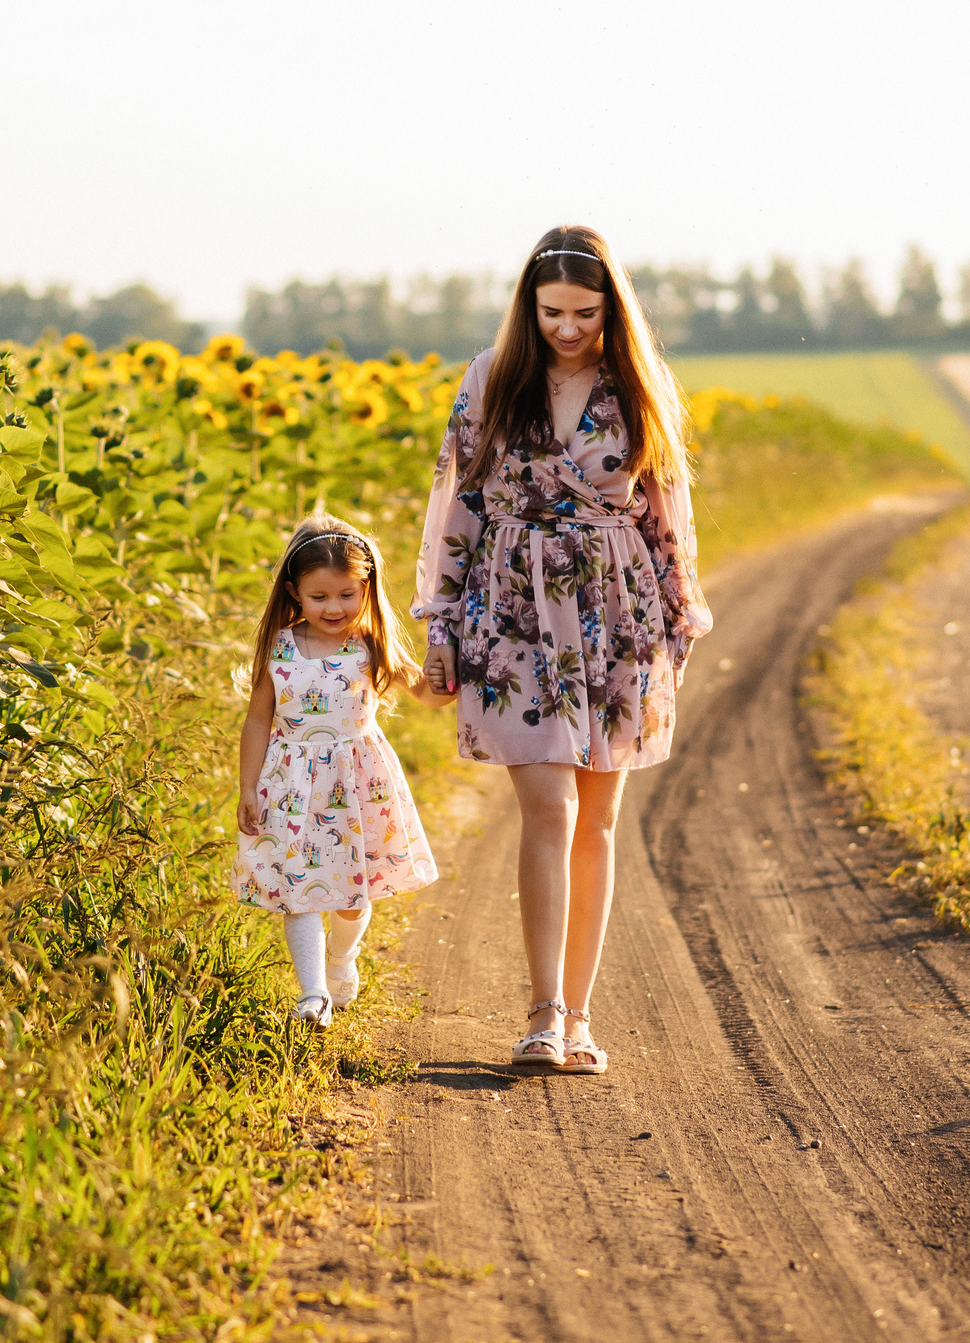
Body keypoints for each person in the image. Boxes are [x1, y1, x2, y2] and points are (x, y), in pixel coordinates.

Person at [413, 225, 711, 1074]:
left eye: (585, 312)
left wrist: (677, 624)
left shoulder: (638, 388)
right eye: (553, 312)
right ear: (528, 304)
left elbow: (667, 516)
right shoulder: (491, 379)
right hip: (511, 612)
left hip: (617, 615)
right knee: (548, 808)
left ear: (611, 307)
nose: (568, 328)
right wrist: (439, 623)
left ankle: (580, 1016)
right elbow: (454, 504)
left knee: (600, 820)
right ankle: (541, 1014)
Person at [233, 514, 445, 1027]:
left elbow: (429, 696)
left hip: (358, 782)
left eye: (347, 595)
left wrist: (446, 660)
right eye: (320, 597)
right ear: (295, 593)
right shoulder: (280, 647)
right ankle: (313, 994)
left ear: (365, 589)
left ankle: (343, 956)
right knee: (298, 889)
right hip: (289, 783)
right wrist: (248, 788)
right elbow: (258, 720)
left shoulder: (371, 645)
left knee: (353, 894)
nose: (335, 608)